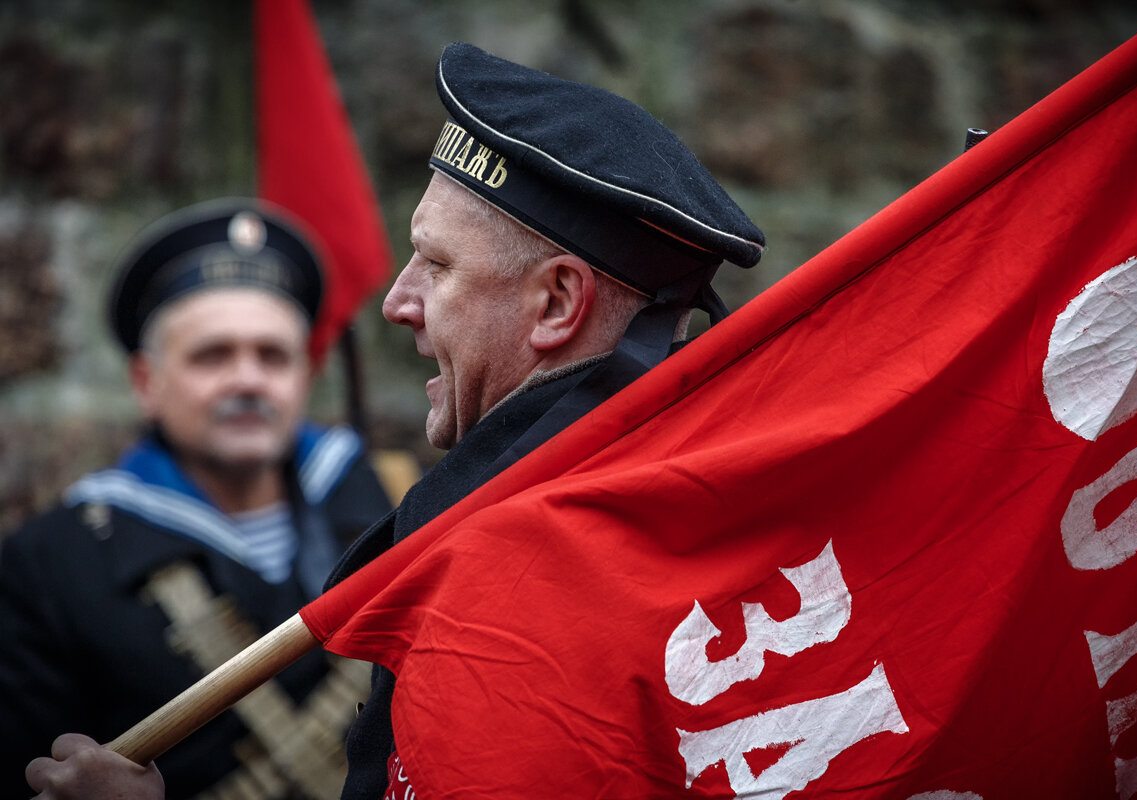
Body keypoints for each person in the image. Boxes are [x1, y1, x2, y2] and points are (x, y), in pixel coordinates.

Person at [21, 42, 764, 799]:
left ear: (557, 304)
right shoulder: (641, 511)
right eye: (213, 356)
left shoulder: (528, 569)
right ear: (146, 381)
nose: (396, 302)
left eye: (436, 265)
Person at [2, 199, 394, 799]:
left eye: (273, 355)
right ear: (145, 383)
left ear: (304, 378)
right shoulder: (49, 562)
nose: (247, 380)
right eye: (213, 355)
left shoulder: (402, 506)